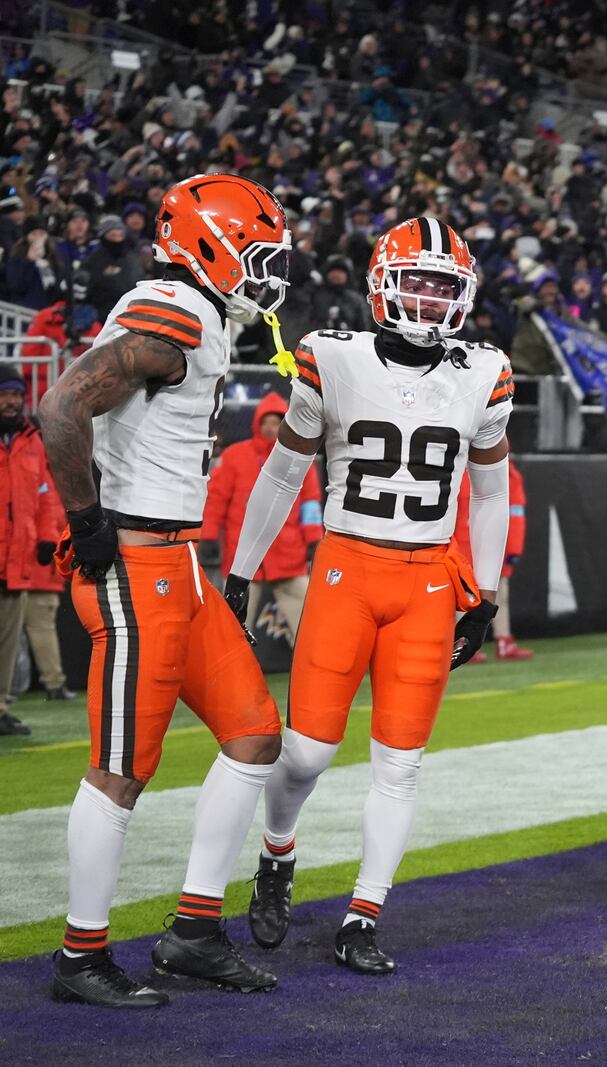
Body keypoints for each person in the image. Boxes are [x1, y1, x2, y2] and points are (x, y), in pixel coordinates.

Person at [37, 174, 293, 1007]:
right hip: (136, 565)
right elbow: (62, 403)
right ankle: (81, 957)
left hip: (177, 563)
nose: (265, 274)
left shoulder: (204, 313)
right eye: (253, 255)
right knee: (122, 770)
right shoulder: (173, 309)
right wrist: (86, 522)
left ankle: (191, 931)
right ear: (208, 244)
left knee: (255, 732)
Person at [235, 216, 511, 976]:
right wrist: (242, 570)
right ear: (380, 285)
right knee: (305, 753)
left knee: (401, 764)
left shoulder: (484, 371)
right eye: (414, 281)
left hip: (426, 582)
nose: (427, 298)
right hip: (346, 570)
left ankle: (364, 911)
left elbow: (490, 491)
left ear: (464, 295)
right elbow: (284, 473)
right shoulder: (330, 356)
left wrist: (481, 594)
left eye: (442, 285)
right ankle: (276, 853)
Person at [199, 392, 324, 641]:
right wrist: (209, 536)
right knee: (230, 632)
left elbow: (310, 503)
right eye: (266, 422)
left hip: (289, 557)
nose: (270, 428)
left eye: (277, 423)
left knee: (311, 631)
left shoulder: (300, 458)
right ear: (257, 424)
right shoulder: (234, 456)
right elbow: (216, 502)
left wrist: (313, 540)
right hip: (243, 560)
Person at [0, 366, 53, 734]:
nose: (12, 401)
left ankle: (0, 708)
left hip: (16, 560)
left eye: (17, 394)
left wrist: (48, 534)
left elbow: (45, 495)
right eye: (5, 394)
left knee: (6, 642)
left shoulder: (33, 439)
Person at [453, 461, 532, 661]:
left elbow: (515, 512)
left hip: (485, 545)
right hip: (466, 547)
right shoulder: (460, 471)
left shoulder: (508, 475)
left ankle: (498, 641)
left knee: (495, 595)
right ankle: (465, 643)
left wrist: (513, 546)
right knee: (467, 596)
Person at [18, 412, 72, 703]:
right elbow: (54, 521)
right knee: (39, 627)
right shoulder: (52, 476)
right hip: (36, 566)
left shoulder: (41, 472)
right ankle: (53, 683)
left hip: (28, 565)